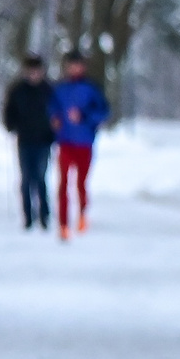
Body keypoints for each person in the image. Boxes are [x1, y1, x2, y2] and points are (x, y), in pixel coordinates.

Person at [49, 51, 112, 238]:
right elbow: (52, 108)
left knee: (81, 183)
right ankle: (63, 222)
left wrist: (84, 117)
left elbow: (103, 112)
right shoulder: (61, 89)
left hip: (84, 143)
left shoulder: (91, 89)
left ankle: (82, 215)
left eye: (78, 65)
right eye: (71, 65)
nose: (74, 68)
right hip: (65, 142)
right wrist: (55, 118)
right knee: (63, 183)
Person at [0, 54, 54, 231]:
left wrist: (53, 132)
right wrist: (10, 125)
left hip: (44, 140)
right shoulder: (17, 90)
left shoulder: (48, 90)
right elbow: (9, 111)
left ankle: (44, 215)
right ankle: (28, 216)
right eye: (30, 71)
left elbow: (55, 114)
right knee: (26, 179)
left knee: (40, 177)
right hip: (24, 140)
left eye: (36, 71)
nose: (34, 75)